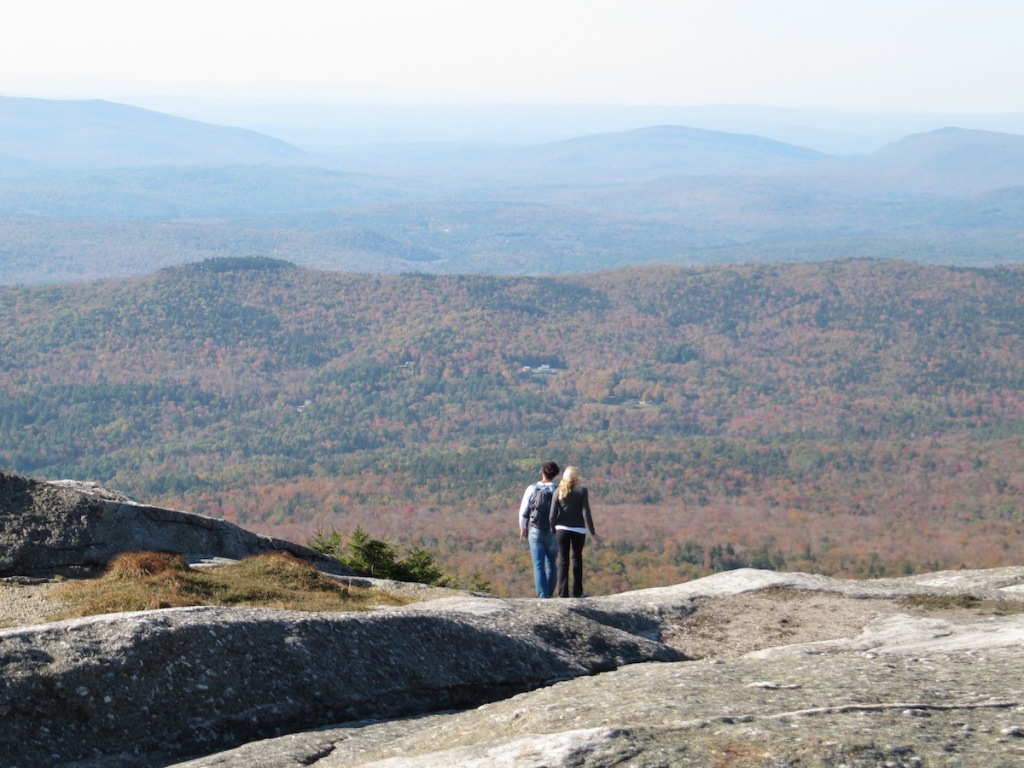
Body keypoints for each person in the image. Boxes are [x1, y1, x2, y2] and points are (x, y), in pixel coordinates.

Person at [549, 465, 599, 598]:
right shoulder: (582, 491)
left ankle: (562, 593)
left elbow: (552, 514)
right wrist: (592, 532)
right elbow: (586, 512)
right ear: (576, 478)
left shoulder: (558, 491)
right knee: (577, 559)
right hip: (578, 529)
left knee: (563, 561)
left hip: (561, 530)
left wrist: (553, 528)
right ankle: (577, 592)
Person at [518, 461, 560, 598]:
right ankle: (549, 593)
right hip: (553, 531)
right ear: (555, 475)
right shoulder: (558, 490)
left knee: (538, 565)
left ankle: (542, 597)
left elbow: (524, 510)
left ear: (542, 472)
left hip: (536, 530)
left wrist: (523, 527)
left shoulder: (532, 489)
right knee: (552, 564)